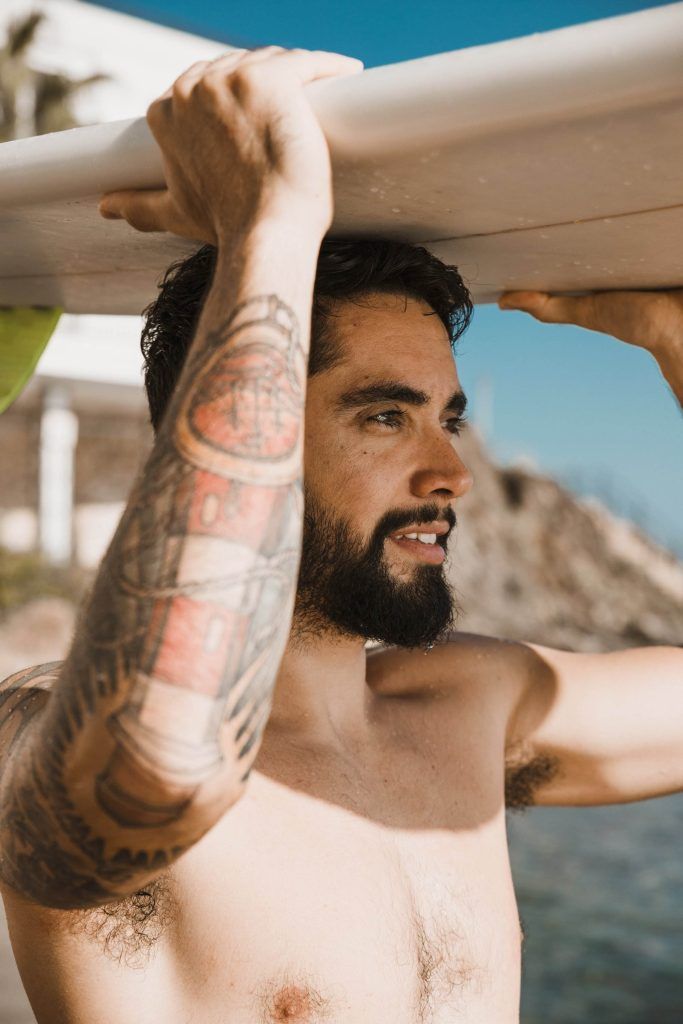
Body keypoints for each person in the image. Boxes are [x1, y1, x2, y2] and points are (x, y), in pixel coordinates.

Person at [0, 46, 681, 1024]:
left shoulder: (469, 708)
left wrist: (673, 337)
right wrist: (265, 228)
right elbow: (161, 760)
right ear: (243, 417)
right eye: (380, 415)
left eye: (446, 417)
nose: (448, 471)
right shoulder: (38, 731)